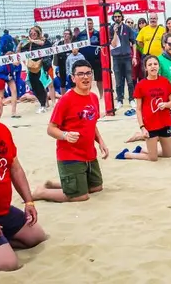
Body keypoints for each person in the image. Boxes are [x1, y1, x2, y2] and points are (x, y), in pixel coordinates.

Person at [0, 83, 47, 273]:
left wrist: (29, 202)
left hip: (1, 210)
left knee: (37, 237)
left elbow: (15, 168)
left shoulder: (3, 130)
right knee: (7, 264)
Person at [32, 60, 109, 203]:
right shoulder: (66, 100)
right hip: (70, 155)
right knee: (80, 196)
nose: (85, 77)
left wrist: (101, 142)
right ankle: (41, 192)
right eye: (80, 74)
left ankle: (54, 185)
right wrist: (65, 135)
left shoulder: (93, 97)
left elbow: (92, 123)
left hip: (89, 154)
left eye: (88, 73)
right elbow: (50, 129)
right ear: (73, 78)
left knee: (96, 188)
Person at [116, 55, 171, 161]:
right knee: (153, 158)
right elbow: (138, 109)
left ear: (159, 66)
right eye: (150, 65)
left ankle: (141, 149)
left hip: (164, 122)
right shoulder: (141, 85)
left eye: (155, 64)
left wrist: (165, 104)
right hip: (150, 125)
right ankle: (127, 154)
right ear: (145, 68)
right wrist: (142, 127)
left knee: (168, 154)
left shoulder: (165, 81)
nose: (153, 67)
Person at [18, 26, 51, 113]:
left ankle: (44, 105)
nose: (32, 35)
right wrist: (20, 44)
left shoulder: (42, 40)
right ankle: (42, 104)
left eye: (34, 33)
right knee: (34, 87)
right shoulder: (29, 43)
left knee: (42, 85)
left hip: (41, 66)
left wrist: (32, 40)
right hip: (32, 67)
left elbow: (42, 43)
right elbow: (18, 52)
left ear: (38, 33)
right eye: (31, 34)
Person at [110, 10, 137, 109]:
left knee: (129, 79)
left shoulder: (127, 28)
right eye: (115, 17)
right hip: (116, 57)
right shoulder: (111, 28)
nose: (117, 18)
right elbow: (113, 44)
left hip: (127, 57)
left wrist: (134, 56)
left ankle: (131, 99)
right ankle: (120, 100)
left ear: (122, 17)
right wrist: (115, 32)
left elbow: (133, 42)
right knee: (118, 81)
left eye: (119, 16)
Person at [76, 18, 103, 97]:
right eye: (87, 24)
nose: (89, 25)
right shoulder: (81, 35)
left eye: (90, 23)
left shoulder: (98, 34)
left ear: (93, 24)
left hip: (97, 60)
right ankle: (87, 94)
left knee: (99, 79)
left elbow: (102, 46)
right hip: (85, 60)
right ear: (85, 25)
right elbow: (77, 47)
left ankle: (101, 95)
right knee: (86, 78)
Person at [53, 29, 73, 96]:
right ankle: (63, 98)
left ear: (70, 35)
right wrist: (56, 64)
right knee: (62, 83)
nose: (65, 35)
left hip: (71, 65)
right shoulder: (60, 43)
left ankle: (74, 97)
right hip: (62, 64)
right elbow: (56, 54)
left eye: (67, 34)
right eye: (64, 33)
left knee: (73, 82)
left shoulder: (73, 43)